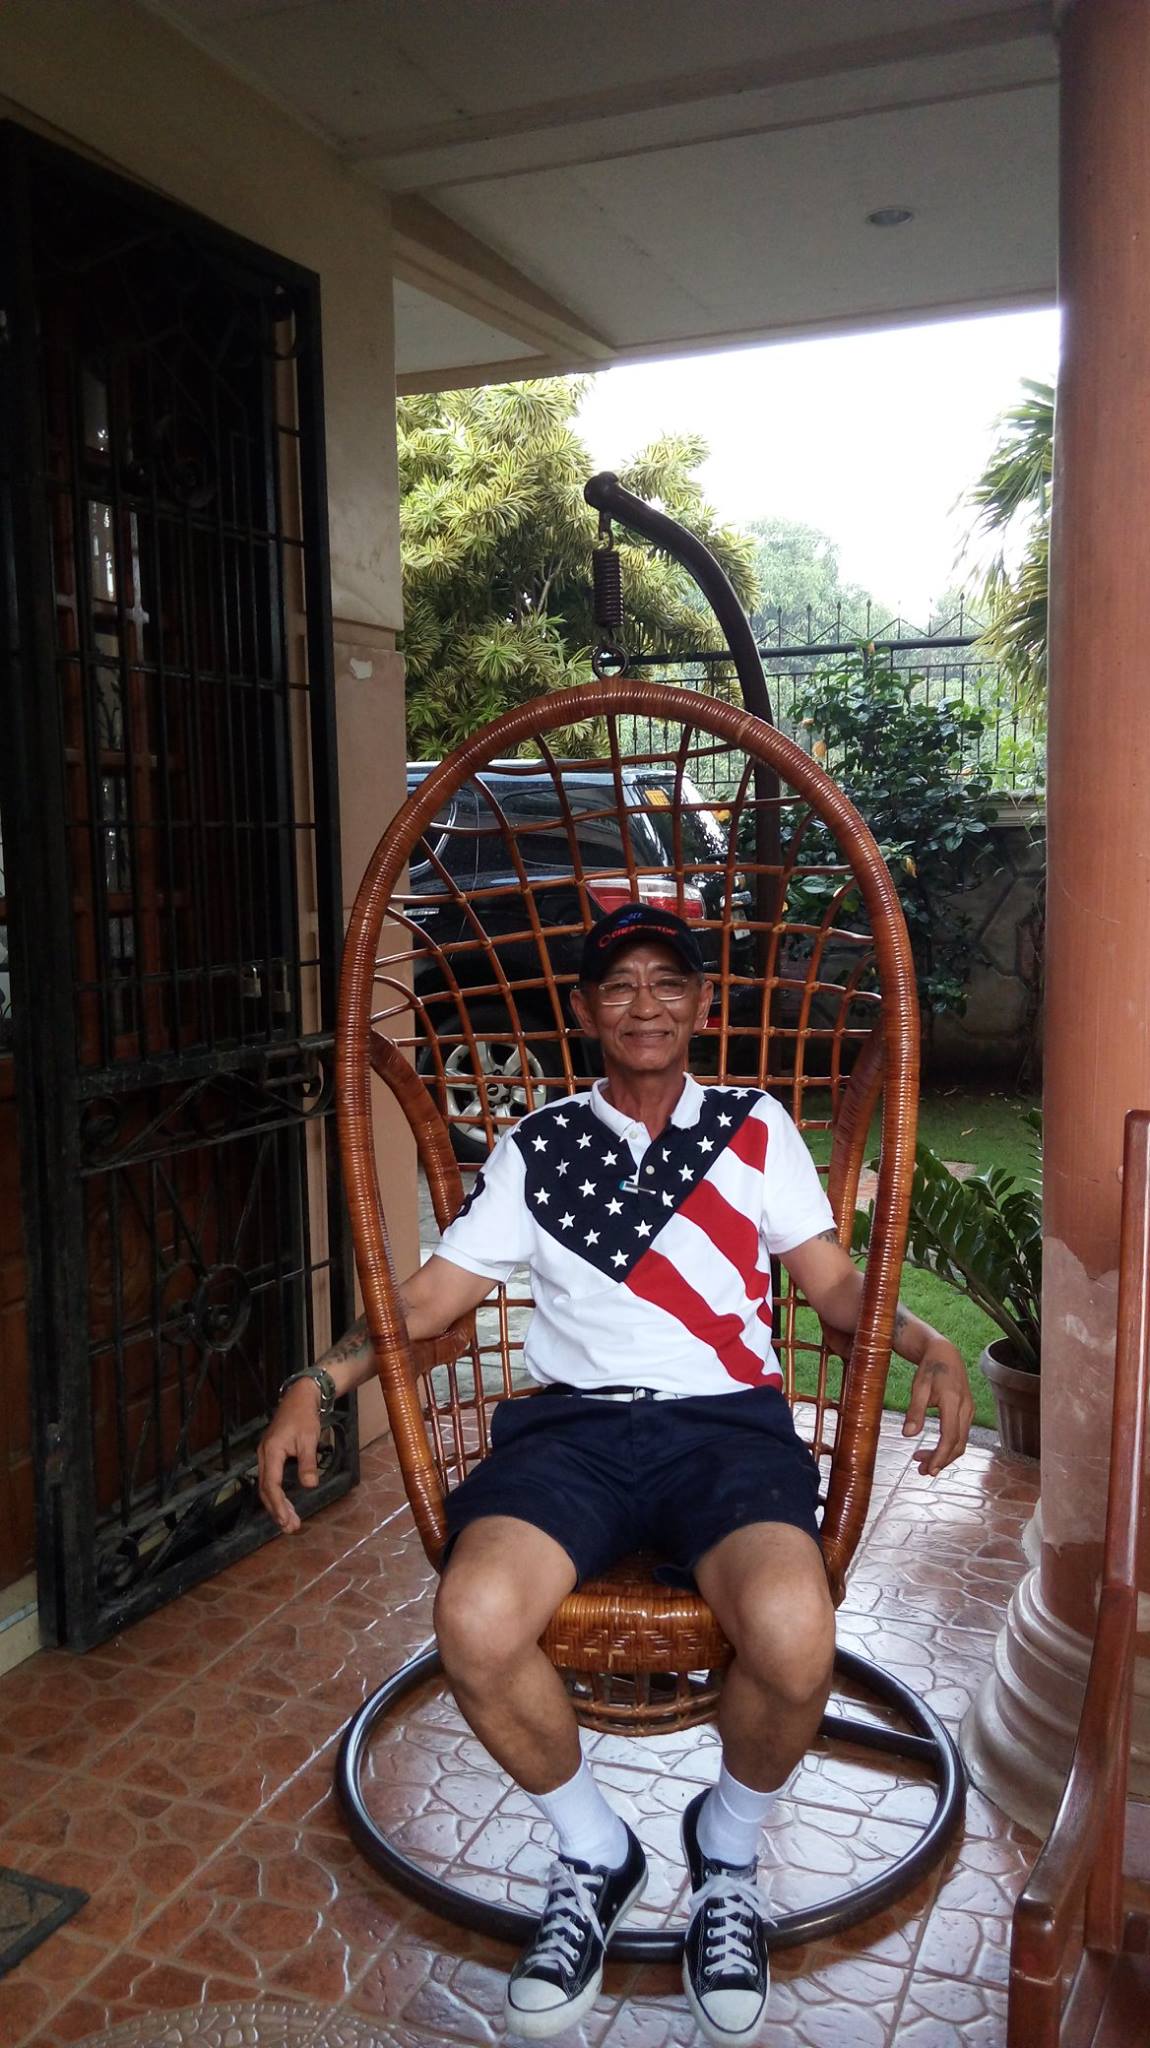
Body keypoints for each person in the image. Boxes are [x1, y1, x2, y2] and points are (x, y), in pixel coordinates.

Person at [259, 902, 973, 2047]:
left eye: (667, 981)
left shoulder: (753, 1127)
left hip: (724, 1431)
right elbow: (433, 1296)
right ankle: (595, 1849)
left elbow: (835, 1287)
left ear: (702, 1004)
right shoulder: (539, 1143)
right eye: (620, 984)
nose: (645, 1002)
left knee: (796, 1632)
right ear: (585, 1009)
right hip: (573, 1432)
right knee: (474, 1617)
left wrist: (926, 1344)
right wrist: (319, 1377)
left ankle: (725, 1849)